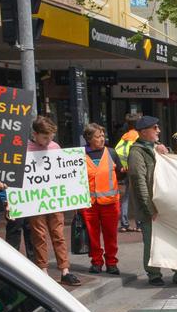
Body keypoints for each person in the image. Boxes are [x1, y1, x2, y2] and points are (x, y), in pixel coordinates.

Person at [130, 115, 177, 287]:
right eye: (155, 128)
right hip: (151, 207)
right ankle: (154, 274)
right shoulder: (136, 153)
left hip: (166, 204)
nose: (159, 130)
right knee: (152, 241)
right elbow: (139, 182)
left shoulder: (157, 148)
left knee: (175, 238)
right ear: (144, 132)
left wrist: (166, 154)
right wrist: (149, 209)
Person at [26, 116, 81, 287]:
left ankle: (65, 269)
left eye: (51, 137)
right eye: (45, 137)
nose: (49, 141)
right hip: (35, 199)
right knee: (39, 234)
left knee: (58, 234)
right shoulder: (25, 149)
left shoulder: (55, 147)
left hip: (54, 197)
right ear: (35, 134)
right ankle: (43, 269)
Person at [82, 123, 125, 275]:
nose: (102, 139)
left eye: (102, 136)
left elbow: (120, 174)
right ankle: (96, 262)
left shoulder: (111, 153)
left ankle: (112, 263)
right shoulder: (79, 156)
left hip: (110, 202)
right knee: (92, 235)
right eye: (98, 136)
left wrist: (124, 171)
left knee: (110, 234)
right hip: (89, 204)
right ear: (88, 138)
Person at [115, 113, 141, 232]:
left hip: (125, 169)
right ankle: (139, 224)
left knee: (126, 197)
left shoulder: (124, 136)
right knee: (138, 197)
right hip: (134, 169)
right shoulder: (137, 136)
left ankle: (124, 224)